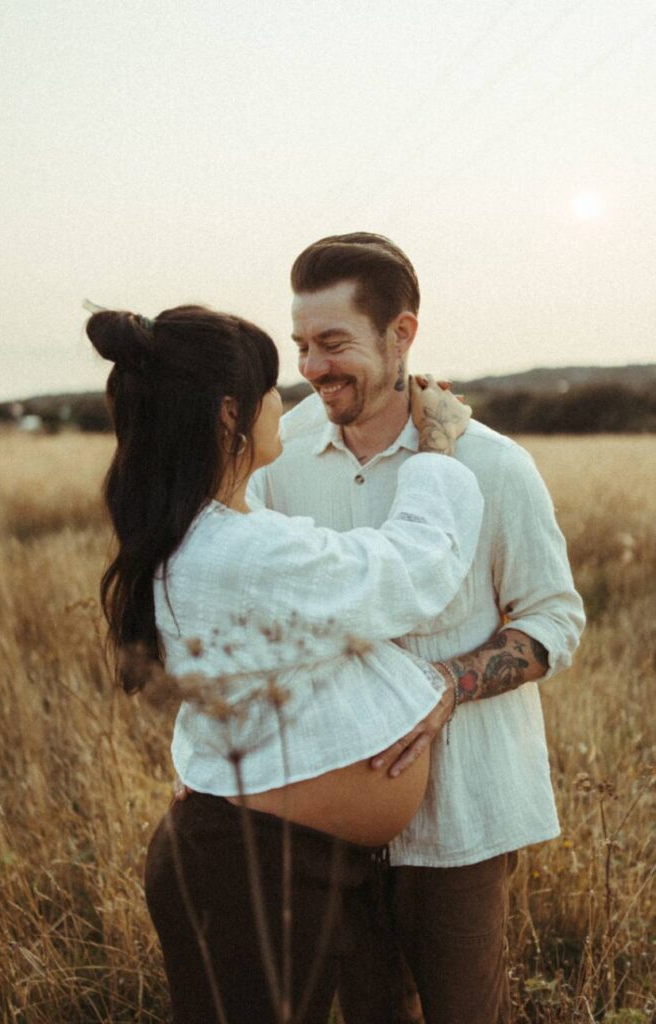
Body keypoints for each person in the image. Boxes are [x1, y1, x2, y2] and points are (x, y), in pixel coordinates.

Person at [84, 301, 486, 1024]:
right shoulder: (235, 550)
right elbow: (404, 570)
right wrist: (436, 455)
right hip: (251, 879)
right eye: (273, 385)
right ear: (230, 412)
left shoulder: (220, 530)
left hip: (265, 865)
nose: (287, 399)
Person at [248, 233, 586, 1024]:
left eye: (333, 344)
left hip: (459, 819)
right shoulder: (280, 459)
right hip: (331, 809)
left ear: (401, 335)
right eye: (300, 345)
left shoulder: (490, 466)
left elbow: (554, 616)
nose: (311, 368)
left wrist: (444, 684)